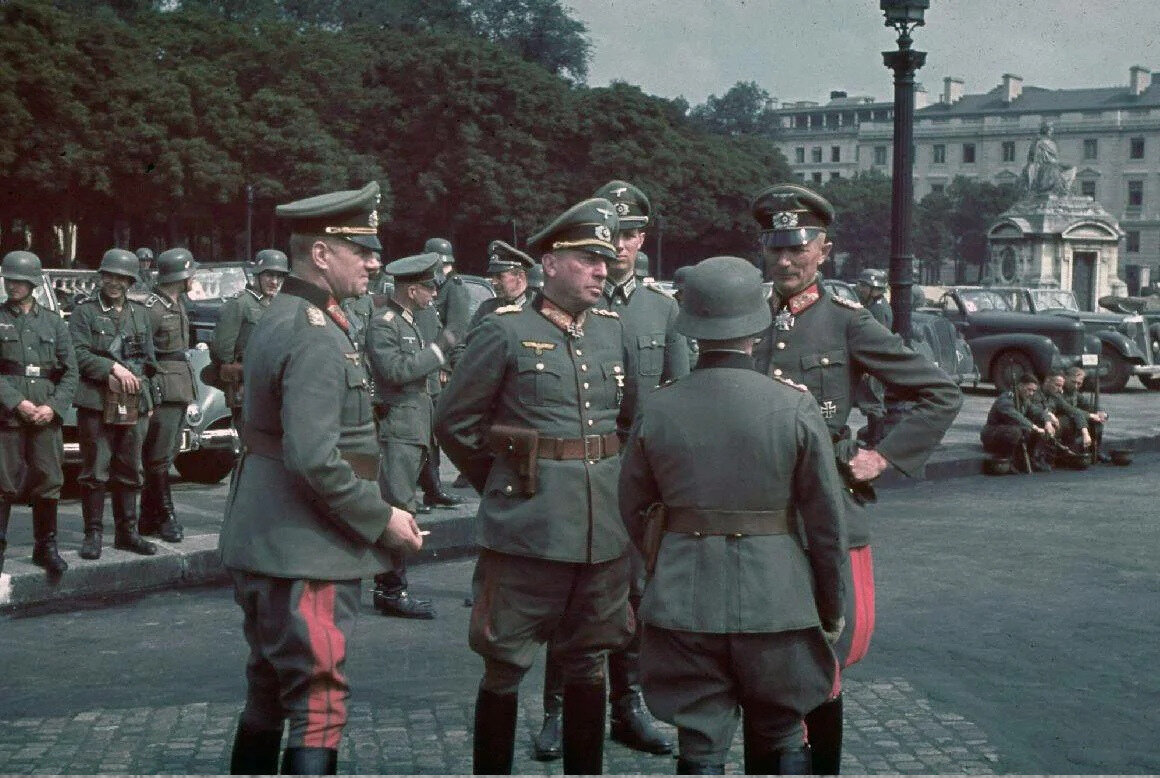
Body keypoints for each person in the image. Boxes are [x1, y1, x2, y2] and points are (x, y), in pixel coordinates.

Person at [750, 183, 962, 774]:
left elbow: (938, 393)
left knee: (825, 654)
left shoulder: (846, 321)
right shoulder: (746, 317)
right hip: (752, 511)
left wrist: (881, 457)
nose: (786, 261)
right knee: (757, 652)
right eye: (775, 249)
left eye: (799, 248)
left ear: (824, 250)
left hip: (821, 508)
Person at [219, 182, 423, 776]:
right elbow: (314, 458)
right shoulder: (313, 331)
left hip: (269, 534)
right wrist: (383, 518)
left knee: (268, 686)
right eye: (360, 249)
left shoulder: (292, 315)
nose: (375, 261)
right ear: (321, 254)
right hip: (307, 547)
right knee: (317, 698)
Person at [619, 255, 846, 774]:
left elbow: (631, 506)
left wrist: (664, 563)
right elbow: (825, 523)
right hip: (778, 598)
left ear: (692, 328)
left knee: (699, 741)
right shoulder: (793, 405)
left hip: (683, 597)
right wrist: (829, 606)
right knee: (785, 726)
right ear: (758, 325)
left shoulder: (658, 406)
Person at [435, 198, 637, 775]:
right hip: (527, 531)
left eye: (606, 257)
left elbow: (626, 426)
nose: (603, 269)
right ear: (550, 263)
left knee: (589, 660)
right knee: (504, 661)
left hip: (602, 534)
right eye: (587, 258)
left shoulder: (611, 334)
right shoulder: (505, 332)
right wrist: (506, 482)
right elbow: (455, 423)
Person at [525, 179, 686, 760]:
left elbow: (676, 394)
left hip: (636, 478)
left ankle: (629, 704)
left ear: (642, 238)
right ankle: (559, 710)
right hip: (574, 479)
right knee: (568, 598)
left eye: (632, 232)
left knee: (632, 598)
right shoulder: (564, 303)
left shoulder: (661, 308)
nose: (620, 245)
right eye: (611, 233)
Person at [365, 251, 457, 621]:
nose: (434, 294)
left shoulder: (409, 320)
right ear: (412, 289)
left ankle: (391, 586)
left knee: (404, 504)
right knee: (398, 506)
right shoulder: (384, 323)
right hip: (398, 428)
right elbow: (394, 370)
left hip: (413, 425)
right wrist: (439, 350)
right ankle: (390, 589)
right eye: (429, 288)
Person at [70, 248, 159, 561]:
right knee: (95, 470)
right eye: (109, 276)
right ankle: (93, 533)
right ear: (101, 277)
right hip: (96, 401)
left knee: (131, 469)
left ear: (131, 281)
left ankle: (127, 533)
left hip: (133, 402)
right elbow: (76, 354)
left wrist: (148, 398)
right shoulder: (85, 312)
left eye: (122, 278)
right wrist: (111, 368)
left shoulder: (141, 314)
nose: (115, 283)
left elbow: (149, 361)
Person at [0, 251, 77, 578]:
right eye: (8, 279)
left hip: (46, 414)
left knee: (48, 479)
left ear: (32, 283)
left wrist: (53, 407)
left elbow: (70, 372)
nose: (11, 285)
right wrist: (17, 402)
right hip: (8, 415)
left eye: (18, 280)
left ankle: (45, 546)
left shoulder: (53, 322)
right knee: (2, 482)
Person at [138, 248, 197, 543]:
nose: (193, 278)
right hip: (163, 389)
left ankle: (147, 518)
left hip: (178, 388)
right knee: (159, 458)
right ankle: (165, 515)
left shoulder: (176, 303)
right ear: (181, 276)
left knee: (167, 453)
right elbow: (140, 355)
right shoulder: (153, 308)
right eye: (190, 273)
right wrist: (148, 394)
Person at [211, 248, 289, 428]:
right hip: (246, 382)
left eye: (279, 276)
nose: (275, 281)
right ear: (257, 276)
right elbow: (221, 348)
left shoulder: (279, 305)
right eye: (269, 275)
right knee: (250, 438)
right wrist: (235, 370)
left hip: (275, 382)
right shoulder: (241, 303)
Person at [980, 373, 1055, 472]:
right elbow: (1015, 417)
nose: (1031, 393)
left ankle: (1034, 459)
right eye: (1029, 389)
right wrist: (1034, 427)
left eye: (1033, 391)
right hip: (993, 434)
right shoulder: (1006, 398)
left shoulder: (1024, 400)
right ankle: (1009, 460)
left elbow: (1037, 412)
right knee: (1016, 431)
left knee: (1038, 427)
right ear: (1020, 386)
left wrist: (1047, 422)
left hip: (1009, 433)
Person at [854, 268, 892, 447]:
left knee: (874, 401)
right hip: (876, 362)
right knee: (872, 401)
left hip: (874, 363)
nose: (860, 289)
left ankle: (875, 440)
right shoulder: (878, 305)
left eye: (863, 285)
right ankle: (873, 436)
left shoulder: (877, 309)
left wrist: (869, 366)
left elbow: (876, 340)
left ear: (873, 288)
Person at [468, 240, 535, 329]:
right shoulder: (487, 309)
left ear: (520, 277)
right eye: (493, 276)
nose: (494, 282)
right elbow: (469, 340)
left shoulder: (537, 308)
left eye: (500, 276)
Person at [1040, 370, 1092, 464]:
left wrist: (1099, 414)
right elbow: (1036, 409)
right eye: (1057, 385)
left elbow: (1074, 410)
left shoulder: (1055, 395)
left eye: (1079, 383)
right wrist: (1048, 416)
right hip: (1035, 423)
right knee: (1065, 422)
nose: (1060, 389)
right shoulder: (1037, 393)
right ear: (1047, 381)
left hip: (1047, 422)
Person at [1063, 366, 1110, 461]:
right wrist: (1090, 415)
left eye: (1079, 383)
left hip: (1076, 417)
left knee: (1097, 422)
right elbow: (1071, 410)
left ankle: (1095, 450)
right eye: (1073, 382)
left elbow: (1087, 404)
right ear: (1066, 378)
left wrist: (1101, 413)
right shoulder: (1060, 391)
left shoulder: (1075, 393)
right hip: (1064, 419)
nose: (1076, 386)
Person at [1021, 121, 1076, 197]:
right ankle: (1060, 188)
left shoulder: (1052, 143)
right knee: (1054, 169)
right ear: (1045, 130)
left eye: (1051, 130)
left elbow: (1055, 158)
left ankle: (1065, 188)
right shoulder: (1039, 142)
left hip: (1054, 163)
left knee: (1072, 168)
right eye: (1050, 130)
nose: (1051, 132)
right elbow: (1035, 158)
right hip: (1046, 164)